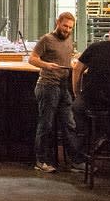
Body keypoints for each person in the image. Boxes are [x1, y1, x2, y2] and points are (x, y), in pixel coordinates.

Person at [29, 12, 84, 173]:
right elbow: (32, 59)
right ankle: (41, 161)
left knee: (69, 124)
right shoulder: (47, 39)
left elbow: (65, 57)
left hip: (63, 86)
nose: (67, 30)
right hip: (47, 86)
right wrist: (46, 65)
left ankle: (75, 161)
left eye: (70, 27)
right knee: (46, 124)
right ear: (57, 23)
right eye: (65, 26)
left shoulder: (68, 40)